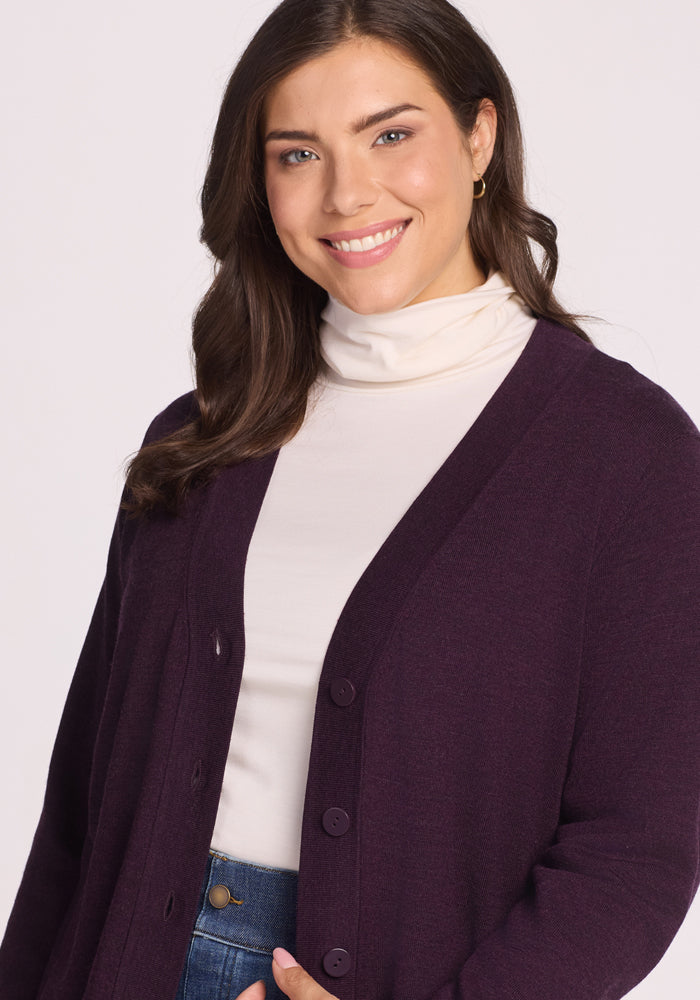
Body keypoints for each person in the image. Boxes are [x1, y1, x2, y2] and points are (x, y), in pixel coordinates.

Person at [1, 0, 699, 998]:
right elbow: (82, 810)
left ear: (478, 137)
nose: (346, 192)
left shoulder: (623, 456)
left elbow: (631, 852)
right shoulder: (199, 440)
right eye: (296, 154)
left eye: (390, 134)